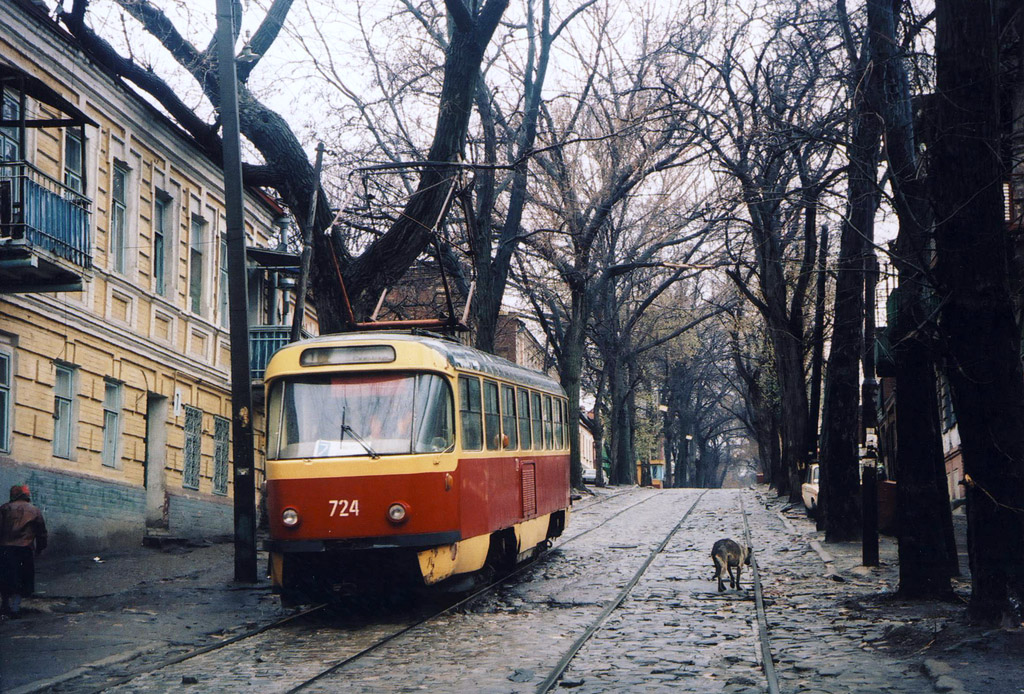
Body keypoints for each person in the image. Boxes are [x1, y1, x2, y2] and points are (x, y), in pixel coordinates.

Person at [0, 484, 47, 618]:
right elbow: (41, 533)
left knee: (5, 577)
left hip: (5, 549)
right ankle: (15, 607)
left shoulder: (4, 509)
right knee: (22, 578)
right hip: (24, 549)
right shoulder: (34, 511)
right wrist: (40, 548)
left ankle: (4, 604)